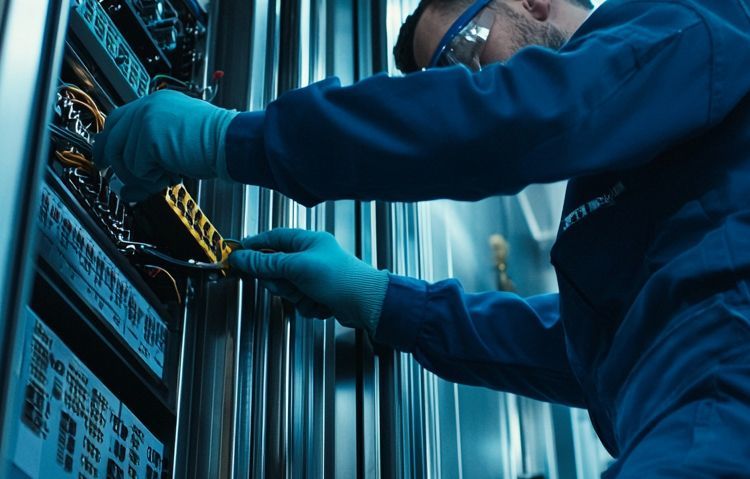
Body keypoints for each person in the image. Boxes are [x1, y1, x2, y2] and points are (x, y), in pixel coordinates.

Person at [93, 0, 750, 475]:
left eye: (465, 50)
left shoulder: (686, 22)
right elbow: (585, 351)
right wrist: (383, 300)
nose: (463, 86)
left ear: (533, 1)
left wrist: (228, 140)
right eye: (441, 79)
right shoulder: (623, 184)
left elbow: (504, 119)